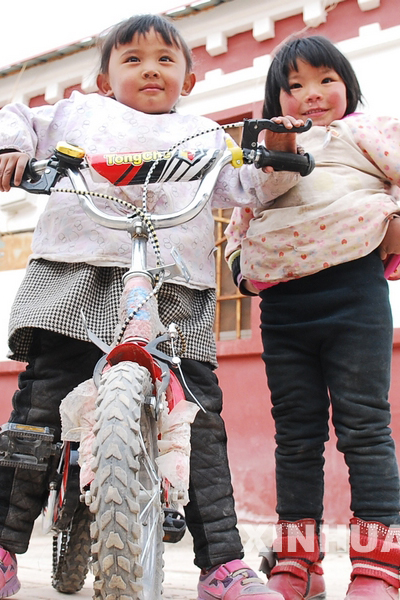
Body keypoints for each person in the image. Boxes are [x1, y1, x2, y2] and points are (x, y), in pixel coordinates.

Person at [0, 13, 305, 600]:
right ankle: (5, 546)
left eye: (166, 60)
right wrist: (14, 148)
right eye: (133, 59)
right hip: (75, 275)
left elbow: (250, 186)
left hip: (173, 291)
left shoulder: (205, 136)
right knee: (38, 409)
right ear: (105, 76)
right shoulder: (77, 113)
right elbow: (15, 118)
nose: (150, 70)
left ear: (189, 81)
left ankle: (222, 564)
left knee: (198, 419)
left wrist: (281, 149)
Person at [225, 35, 400, 600]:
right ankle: (298, 562)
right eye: (293, 85)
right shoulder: (266, 154)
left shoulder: (366, 133)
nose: (311, 94)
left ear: (348, 85)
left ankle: (379, 567)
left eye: (325, 79)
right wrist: (241, 272)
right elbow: (238, 231)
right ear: (276, 99)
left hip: (355, 296)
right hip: (283, 308)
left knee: (365, 429)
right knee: (296, 437)